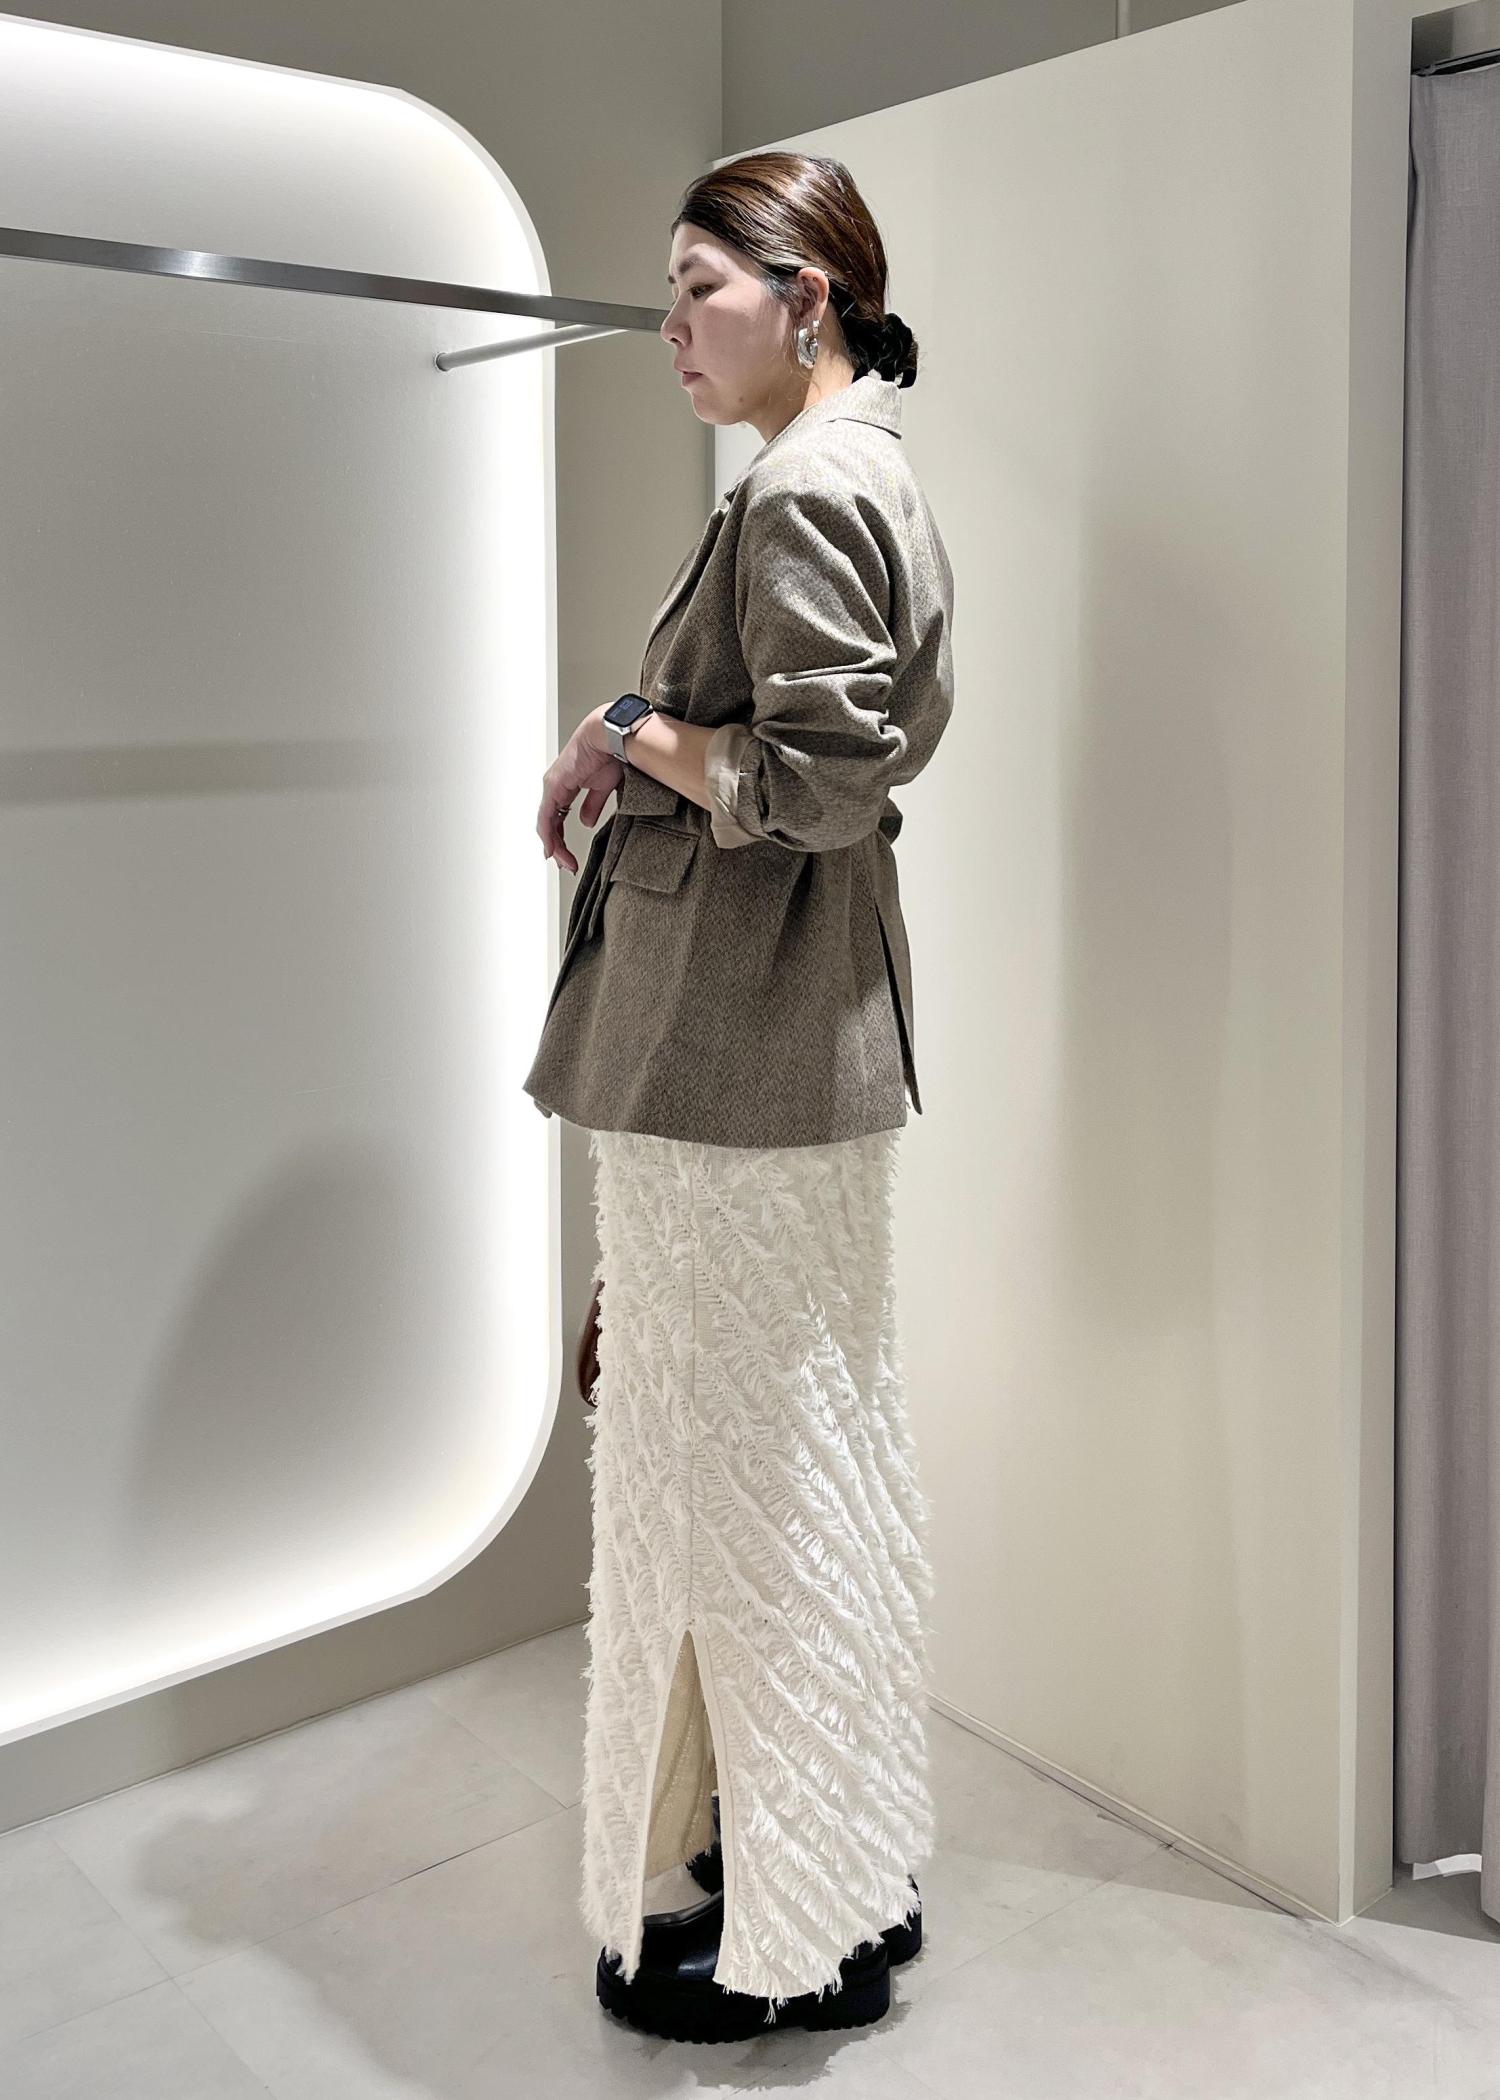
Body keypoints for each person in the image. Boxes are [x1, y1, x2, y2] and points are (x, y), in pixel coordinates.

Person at [523, 148, 956, 2045]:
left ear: (809, 295)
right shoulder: (863, 467)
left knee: (736, 1486)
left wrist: (632, 730)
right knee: (800, 1463)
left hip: (736, 1055)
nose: (672, 325)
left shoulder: (799, 489)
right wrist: (638, 739)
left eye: (703, 284)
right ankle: (834, 1873)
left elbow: (821, 783)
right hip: (793, 1043)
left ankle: (801, 1937)